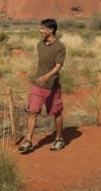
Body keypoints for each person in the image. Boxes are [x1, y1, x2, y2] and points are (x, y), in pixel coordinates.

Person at [18, 18, 67, 153]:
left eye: (43, 28)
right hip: (38, 85)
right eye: (41, 28)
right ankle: (28, 141)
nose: (41, 31)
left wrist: (46, 77)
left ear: (51, 30)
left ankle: (59, 139)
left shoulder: (60, 47)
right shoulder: (40, 45)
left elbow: (58, 67)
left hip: (52, 86)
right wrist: (40, 77)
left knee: (56, 113)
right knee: (33, 112)